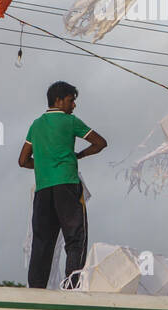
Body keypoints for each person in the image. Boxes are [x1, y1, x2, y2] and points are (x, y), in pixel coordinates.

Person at [19, 81, 107, 289]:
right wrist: (80, 155)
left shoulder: (36, 124)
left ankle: (36, 290)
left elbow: (23, 161)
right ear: (58, 100)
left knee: (41, 242)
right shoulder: (70, 121)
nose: (74, 105)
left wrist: (43, 165)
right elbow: (100, 143)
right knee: (75, 238)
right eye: (71, 100)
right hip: (67, 185)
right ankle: (71, 287)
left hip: (43, 191)